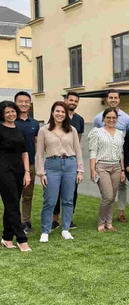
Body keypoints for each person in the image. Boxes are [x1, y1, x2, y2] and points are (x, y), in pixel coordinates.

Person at [36, 101, 84, 242]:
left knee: (68, 200)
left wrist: (80, 170)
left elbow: (78, 150)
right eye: (57, 111)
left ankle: (66, 229)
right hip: (52, 165)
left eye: (63, 112)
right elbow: (39, 153)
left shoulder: (72, 130)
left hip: (70, 165)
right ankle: (45, 231)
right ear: (52, 112)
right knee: (50, 200)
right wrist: (41, 172)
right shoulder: (44, 130)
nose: (60, 114)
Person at [93, 89, 129, 223]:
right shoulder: (98, 118)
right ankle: (103, 218)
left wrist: (124, 165)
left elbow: (128, 139)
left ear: (119, 99)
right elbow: (95, 142)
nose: (113, 100)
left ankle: (121, 212)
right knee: (108, 193)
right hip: (103, 160)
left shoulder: (127, 118)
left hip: (119, 158)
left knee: (122, 186)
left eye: (116, 97)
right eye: (111, 97)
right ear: (107, 98)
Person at [0, 101, 32, 252]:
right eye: (7, 112)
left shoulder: (18, 130)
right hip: (3, 171)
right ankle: (21, 239)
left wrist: (27, 173)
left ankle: (7, 238)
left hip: (18, 171)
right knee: (13, 204)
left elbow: (24, 153)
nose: (11, 114)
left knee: (11, 204)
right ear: (2, 114)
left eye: (13, 111)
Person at [88, 107, 125, 232]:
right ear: (103, 118)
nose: (111, 120)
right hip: (102, 167)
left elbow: (121, 153)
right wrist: (92, 170)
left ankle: (109, 223)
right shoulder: (97, 132)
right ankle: (101, 223)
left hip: (116, 167)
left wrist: (123, 170)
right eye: (108, 117)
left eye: (114, 117)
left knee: (113, 196)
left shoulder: (120, 133)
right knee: (107, 196)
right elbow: (93, 151)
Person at [52, 91, 85, 230]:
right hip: (56, 160)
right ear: (65, 100)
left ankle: (68, 218)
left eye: (75, 101)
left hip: (71, 160)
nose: (73, 103)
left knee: (72, 192)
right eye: (71, 100)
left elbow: (78, 140)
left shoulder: (79, 120)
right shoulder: (57, 117)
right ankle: (55, 220)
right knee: (56, 191)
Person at [14, 91, 40, 234]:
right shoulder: (9, 121)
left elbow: (36, 143)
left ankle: (25, 222)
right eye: (21, 101)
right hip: (13, 165)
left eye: (26, 102)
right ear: (15, 103)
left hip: (30, 164)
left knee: (27, 195)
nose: (24, 104)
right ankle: (13, 221)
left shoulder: (35, 124)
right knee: (13, 195)